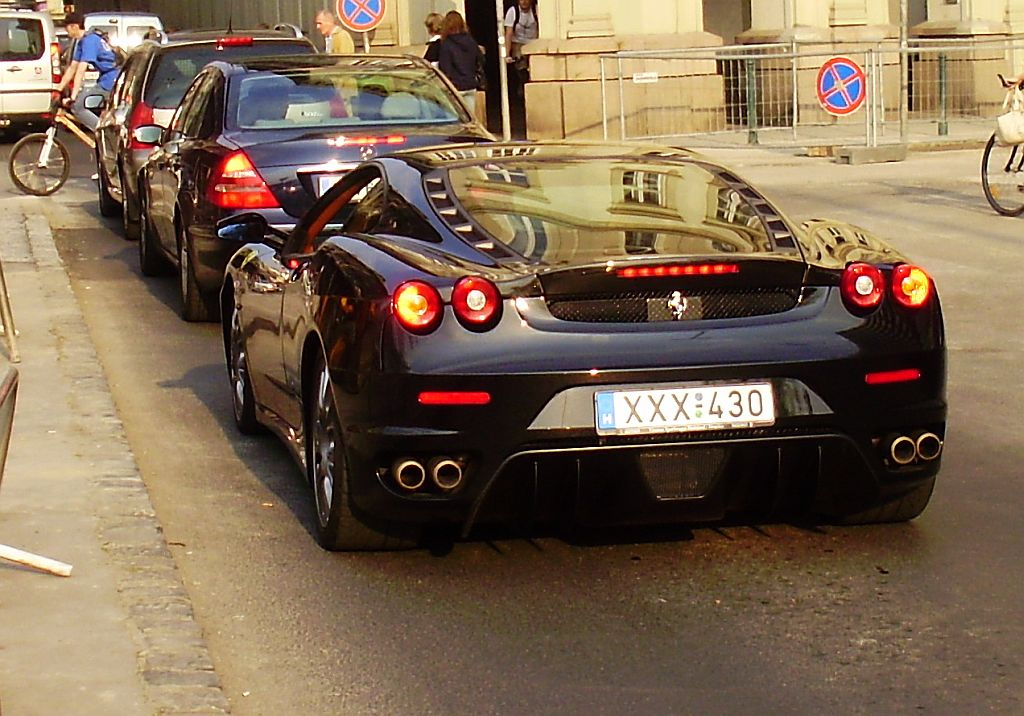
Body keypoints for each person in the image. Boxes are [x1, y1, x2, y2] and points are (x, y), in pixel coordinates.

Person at [55, 12, 120, 133]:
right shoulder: (83, 41)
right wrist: (58, 90)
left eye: (67, 27)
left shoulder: (89, 41)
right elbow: (72, 68)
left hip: (111, 80)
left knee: (78, 106)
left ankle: (103, 134)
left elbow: (81, 70)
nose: (66, 31)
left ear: (74, 26)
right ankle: (103, 130)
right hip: (106, 79)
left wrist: (73, 97)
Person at [436, 11, 482, 114]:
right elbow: (479, 60)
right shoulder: (470, 41)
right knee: (470, 119)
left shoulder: (446, 44)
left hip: (454, 88)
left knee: (455, 121)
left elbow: (445, 69)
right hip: (470, 84)